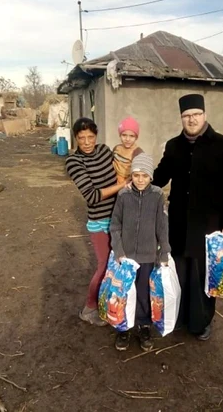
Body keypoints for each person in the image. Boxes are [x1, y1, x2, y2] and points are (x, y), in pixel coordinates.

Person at [153, 94, 223, 341]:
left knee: (204, 276)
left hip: (209, 225)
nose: (191, 119)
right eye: (186, 116)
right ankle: (181, 318)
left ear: (204, 115)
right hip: (179, 223)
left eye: (195, 114)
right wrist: (137, 183)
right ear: (181, 118)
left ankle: (201, 322)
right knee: (181, 271)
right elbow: (160, 176)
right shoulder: (173, 146)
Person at [65, 117, 128, 326]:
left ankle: (111, 304)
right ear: (75, 138)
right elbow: (92, 196)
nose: (86, 142)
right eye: (81, 138)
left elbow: (121, 169)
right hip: (100, 223)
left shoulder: (104, 150)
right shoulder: (74, 162)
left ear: (96, 136)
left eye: (90, 137)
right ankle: (89, 307)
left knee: (120, 264)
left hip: (119, 219)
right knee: (103, 266)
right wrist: (121, 186)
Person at [109, 152, 170, 351]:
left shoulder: (157, 195)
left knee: (144, 293)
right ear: (131, 175)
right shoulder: (124, 195)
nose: (140, 179)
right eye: (136, 175)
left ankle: (144, 326)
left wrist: (163, 253)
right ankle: (123, 328)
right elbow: (115, 225)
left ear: (151, 176)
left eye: (145, 175)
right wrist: (118, 250)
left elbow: (162, 227)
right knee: (124, 293)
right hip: (126, 258)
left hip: (147, 257)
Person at [112, 116, 144, 185]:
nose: (127, 139)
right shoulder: (117, 149)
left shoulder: (137, 152)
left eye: (131, 136)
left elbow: (139, 173)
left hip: (129, 184)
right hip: (114, 182)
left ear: (136, 137)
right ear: (120, 135)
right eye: (124, 135)